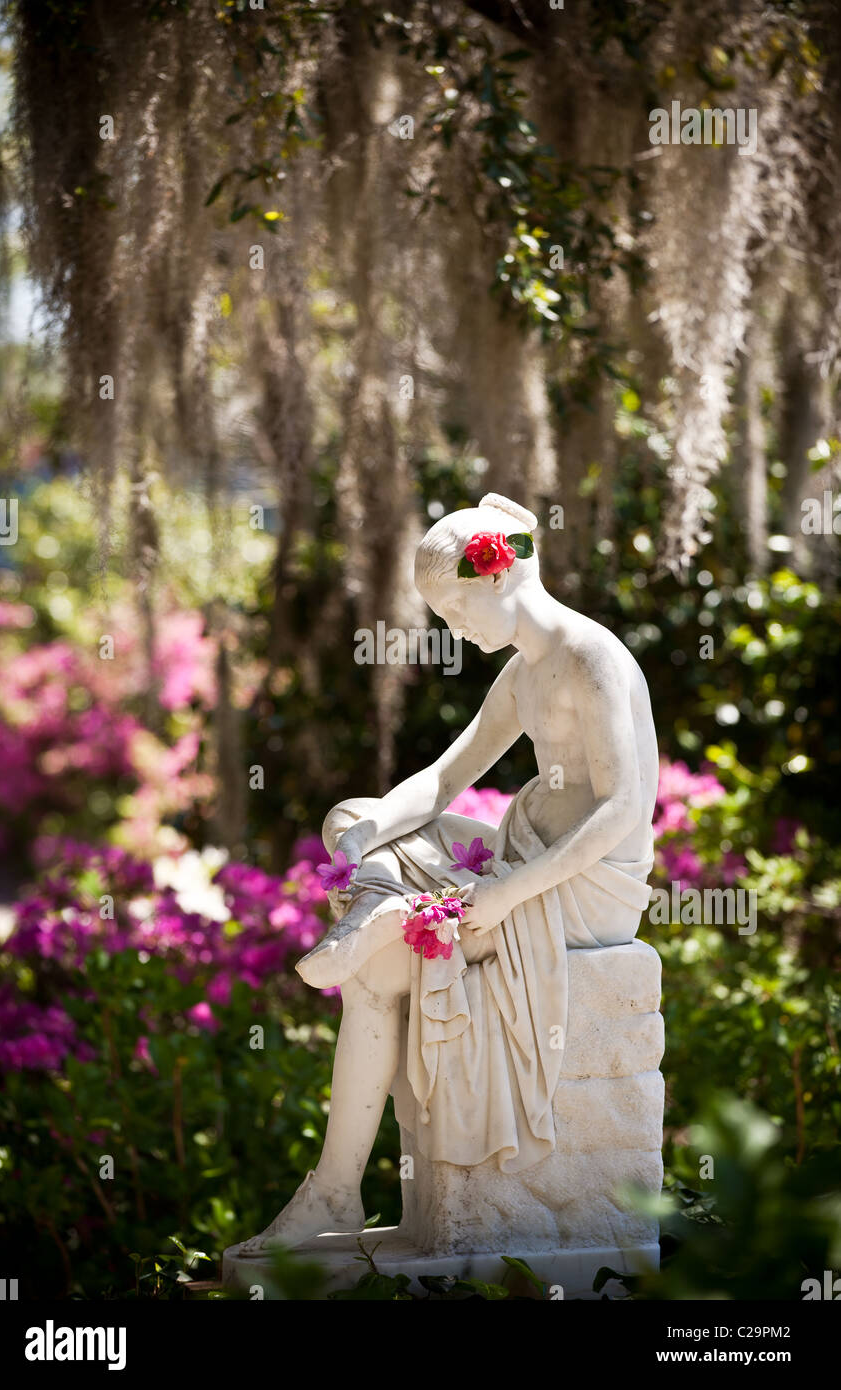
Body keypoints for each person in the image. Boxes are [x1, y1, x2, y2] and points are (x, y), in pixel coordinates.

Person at [238, 493, 658, 1255]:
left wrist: (502, 895)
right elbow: (441, 781)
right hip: (526, 852)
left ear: (498, 578)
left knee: (382, 974)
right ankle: (375, 905)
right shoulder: (522, 674)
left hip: (588, 890)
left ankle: (334, 1189)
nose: (455, 631)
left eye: (456, 612)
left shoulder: (590, 656)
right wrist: (364, 831)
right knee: (349, 817)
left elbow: (623, 809)